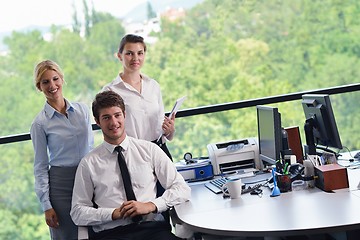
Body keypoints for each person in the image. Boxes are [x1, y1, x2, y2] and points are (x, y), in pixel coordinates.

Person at [70, 90, 191, 240]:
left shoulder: (150, 150)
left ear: (124, 115)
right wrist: (114, 213)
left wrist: (151, 205)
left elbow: (182, 188)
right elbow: (77, 212)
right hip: (112, 234)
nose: (113, 122)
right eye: (106, 117)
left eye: (117, 115)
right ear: (97, 121)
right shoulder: (88, 163)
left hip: (152, 230)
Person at [30, 60, 94, 240]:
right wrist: (46, 205)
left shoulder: (82, 110)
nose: (52, 85)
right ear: (39, 87)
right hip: (61, 187)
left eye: (55, 79)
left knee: (96, 231)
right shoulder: (40, 123)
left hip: (89, 178)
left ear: (62, 79)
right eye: (45, 82)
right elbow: (40, 166)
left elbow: (91, 147)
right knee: (68, 235)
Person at [102, 34, 175, 160]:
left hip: (160, 151)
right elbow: (108, 130)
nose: (135, 58)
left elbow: (162, 127)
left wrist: (169, 130)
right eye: (129, 53)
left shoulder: (153, 85)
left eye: (140, 53)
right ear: (119, 56)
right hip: (133, 155)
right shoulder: (110, 91)